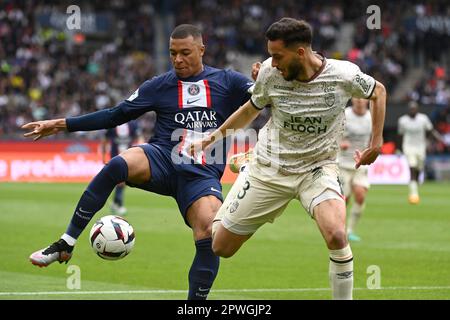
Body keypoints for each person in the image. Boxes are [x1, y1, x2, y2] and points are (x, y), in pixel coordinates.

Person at [21, 24, 255, 300]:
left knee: (207, 234)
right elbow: (114, 115)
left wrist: (263, 75)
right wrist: (62, 124)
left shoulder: (228, 81)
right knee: (118, 164)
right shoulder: (159, 85)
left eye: (185, 53)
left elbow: (265, 96)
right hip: (163, 159)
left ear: (201, 50)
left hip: (201, 176)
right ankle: (66, 243)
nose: (178, 59)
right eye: (172, 54)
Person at [191, 18, 387, 300]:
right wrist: (211, 138)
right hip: (269, 168)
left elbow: (378, 91)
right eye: (270, 55)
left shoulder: (343, 75)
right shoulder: (270, 73)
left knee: (336, 235)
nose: (272, 62)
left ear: (300, 53)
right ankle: (248, 166)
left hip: (317, 169)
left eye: (277, 56)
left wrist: (376, 143)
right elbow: (250, 110)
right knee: (220, 246)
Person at [338, 98, 372, 242]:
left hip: (360, 163)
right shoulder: (344, 114)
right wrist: (340, 142)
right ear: (352, 99)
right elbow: (332, 133)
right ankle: (340, 229)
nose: (359, 101)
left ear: (367, 100)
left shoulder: (371, 117)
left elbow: (374, 137)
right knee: (343, 199)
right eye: (356, 98)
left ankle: (350, 230)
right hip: (343, 163)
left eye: (362, 98)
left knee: (360, 196)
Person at [398, 101, 442, 204]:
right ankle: (414, 193)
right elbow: (399, 135)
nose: (413, 110)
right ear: (409, 110)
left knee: (419, 168)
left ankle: (415, 185)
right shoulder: (403, 121)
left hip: (420, 147)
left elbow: (430, 130)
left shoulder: (423, 119)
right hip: (408, 147)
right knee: (412, 167)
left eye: (414, 108)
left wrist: (438, 140)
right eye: (411, 108)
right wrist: (399, 148)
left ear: (417, 109)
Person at [101, 120, 144, 216]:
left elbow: (139, 137)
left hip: (129, 156)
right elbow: (105, 140)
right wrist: (103, 155)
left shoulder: (133, 124)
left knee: (122, 181)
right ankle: (119, 204)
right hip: (115, 157)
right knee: (121, 181)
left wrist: (141, 146)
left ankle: (115, 203)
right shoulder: (113, 124)